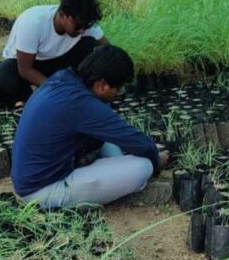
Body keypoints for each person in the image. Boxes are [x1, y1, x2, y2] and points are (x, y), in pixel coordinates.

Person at [11, 45, 169, 208]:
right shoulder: (81, 103)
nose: (118, 94)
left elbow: (120, 134)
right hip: (42, 191)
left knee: (110, 140)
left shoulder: (64, 78)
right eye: (118, 88)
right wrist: (156, 160)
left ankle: (118, 181)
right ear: (102, 85)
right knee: (143, 167)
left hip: (35, 176)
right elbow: (136, 141)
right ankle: (125, 192)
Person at [0, 0, 107, 107]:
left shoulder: (85, 24)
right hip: (24, 64)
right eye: (78, 25)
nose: (82, 30)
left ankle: (74, 86)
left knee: (91, 45)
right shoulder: (33, 22)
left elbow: (109, 52)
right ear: (62, 14)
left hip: (60, 63)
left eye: (86, 26)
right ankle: (30, 96)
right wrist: (56, 90)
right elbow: (25, 69)